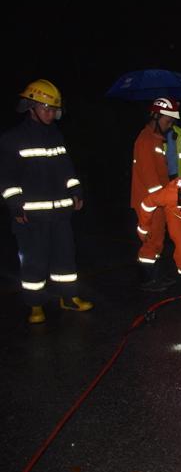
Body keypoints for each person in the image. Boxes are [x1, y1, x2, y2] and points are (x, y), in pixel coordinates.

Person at [0, 79, 93, 323]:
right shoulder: (12, 139)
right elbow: (6, 179)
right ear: (30, 107)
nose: (51, 114)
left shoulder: (56, 135)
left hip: (61, 214)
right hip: (30, 217)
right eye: (46, 108)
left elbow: (67, 169)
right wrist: (15, 204)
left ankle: (69, 298)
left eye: (54, 109)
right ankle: (35, 305)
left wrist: (76, 191)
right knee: (34, 263)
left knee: (66, 258)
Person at [131, 97, 180, 291]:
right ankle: (147, 280)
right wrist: (164, 199)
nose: (169, 127)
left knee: (158, 238)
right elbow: (150, 178)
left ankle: (156, 275)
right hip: (149, 202)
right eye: (168, 122)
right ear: (155, 116)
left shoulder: (156, 140)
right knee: (151, 240)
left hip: (157, 200)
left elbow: (161, 174)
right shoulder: (145, 140)